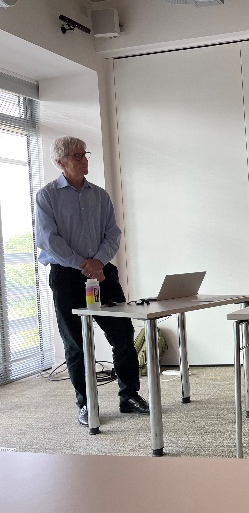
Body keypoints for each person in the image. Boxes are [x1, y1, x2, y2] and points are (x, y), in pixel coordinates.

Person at [35, 136, 149, 427]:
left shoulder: (100, 195)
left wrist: (97, 262)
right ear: (60, 163)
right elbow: (47, 239)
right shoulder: (47, 196)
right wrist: (82, 264)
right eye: (77, 156)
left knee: (122, 334)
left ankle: (129, 396)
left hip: (102, 274)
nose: (84, 159)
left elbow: (113, 233)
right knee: (75, 342)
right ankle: (87, 403)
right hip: (67, 276)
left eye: (84, 154)